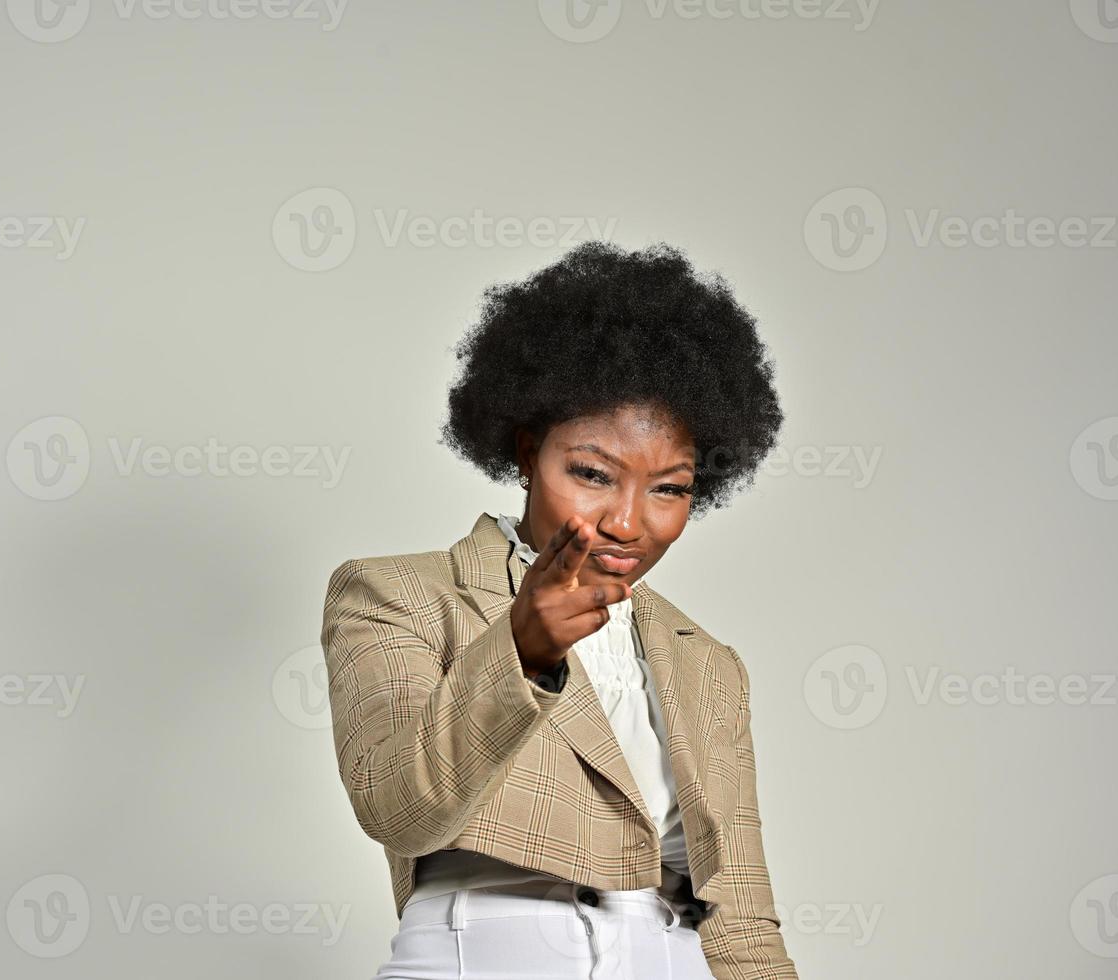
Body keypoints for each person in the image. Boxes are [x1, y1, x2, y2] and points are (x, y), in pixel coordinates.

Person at [319, 241, 799, 979]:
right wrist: (520, 649)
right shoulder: (398, 595)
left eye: (670, 489)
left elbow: (738, 921)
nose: (628, 522)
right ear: (524, 451)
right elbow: (399, 810)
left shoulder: (707, 663)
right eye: (592, 474)